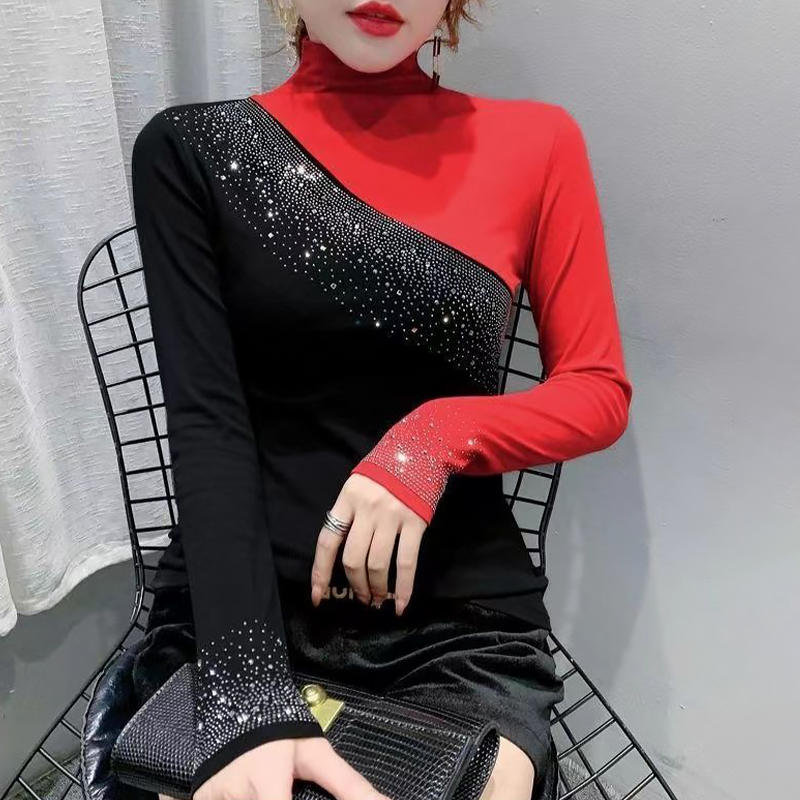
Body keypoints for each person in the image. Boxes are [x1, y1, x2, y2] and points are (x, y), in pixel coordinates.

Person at [130, 1, 633, 799]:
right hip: (235, 614)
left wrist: (430, 440)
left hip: (454, 627)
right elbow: (208, 423)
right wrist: (246, 695)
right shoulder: (194, 149)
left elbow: (597, 391)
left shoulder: (538, 143)